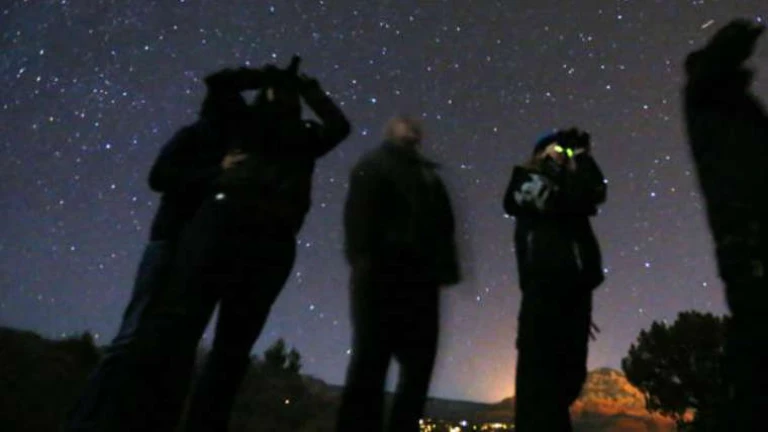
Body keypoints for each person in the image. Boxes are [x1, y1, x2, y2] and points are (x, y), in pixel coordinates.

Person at [123, 56, 351, 432]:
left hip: (253, 244)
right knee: (199, 342)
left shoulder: (294, 135)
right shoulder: (253, 124)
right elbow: (218, 83)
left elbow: (341, 127)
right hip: (231, 236)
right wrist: (284, 82)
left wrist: (291, 85)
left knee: (222, 350)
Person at [63, 67, 253, 432]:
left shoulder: (228, 146)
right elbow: (159, 177)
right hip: (168, 242)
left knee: (164, 342)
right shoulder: (193, 136)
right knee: (131, 335)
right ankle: (87, 420)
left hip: (195, 251)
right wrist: (216, 171)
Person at [336, 116, 461, 432]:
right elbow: (357, 220)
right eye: (405, 124)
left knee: (415, 372)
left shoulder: (428, 176)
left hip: (420, 282)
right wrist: (365, 262)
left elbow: (444, 227)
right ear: (390, 131)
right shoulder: (374, 165)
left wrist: (444, 270)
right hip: (381, 277)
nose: (413, 129)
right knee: (370, 366)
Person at [683, 19, 768, 430]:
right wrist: (737, 40)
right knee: (757, 335)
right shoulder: (707, 96)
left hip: (749, 227)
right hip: (745, 232)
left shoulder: (731, 104)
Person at [503, 128, 606, 431]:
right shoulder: (526, 182)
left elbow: (596, 192)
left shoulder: (572, 189)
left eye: (566, 152)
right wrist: (564, 166)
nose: (563, 155)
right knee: (538, 386)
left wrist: (582, 156)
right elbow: (569, 201)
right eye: (557, 150)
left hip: (577, 295)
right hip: (543, 292)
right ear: (539, 155)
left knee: (569, 382)